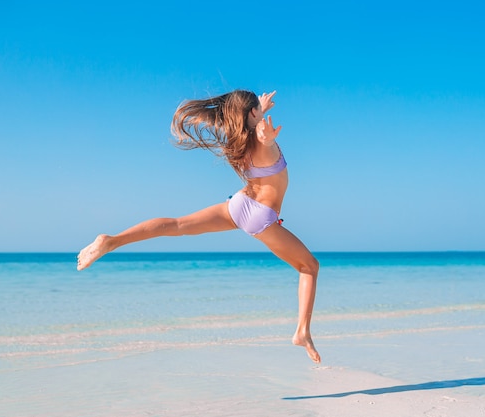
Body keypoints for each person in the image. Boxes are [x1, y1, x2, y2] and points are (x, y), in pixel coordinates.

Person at [76, 90, 320, 363]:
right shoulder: (261, 140)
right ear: (252, 114)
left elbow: (255, 130)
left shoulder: (239, 140)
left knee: (177, 224)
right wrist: (267, 137)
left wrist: (259, 112)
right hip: (262, 216)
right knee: (308, 267)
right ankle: (302, 331)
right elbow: (264, 141)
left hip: (239, 205)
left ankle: (112, 240)